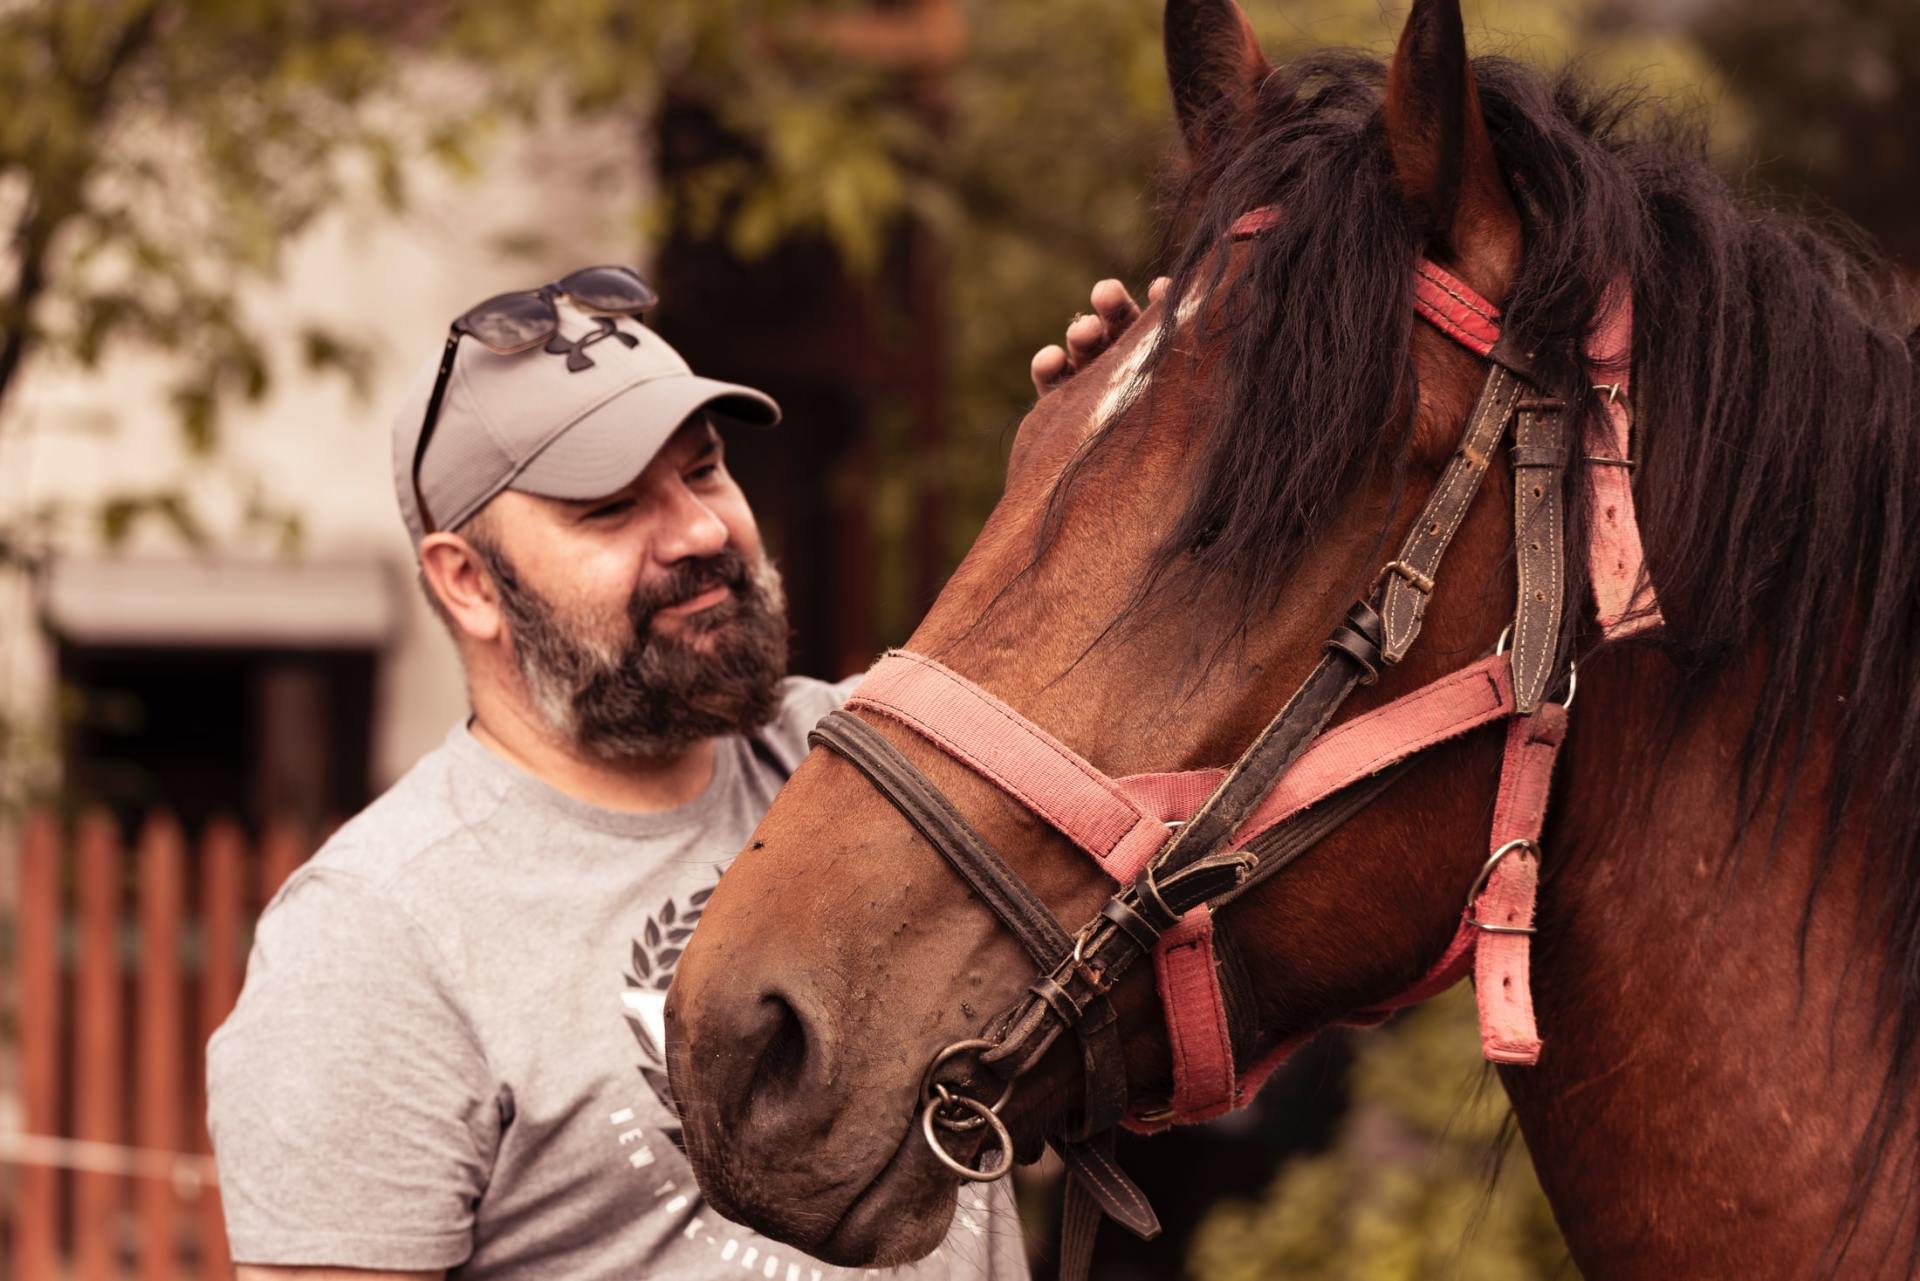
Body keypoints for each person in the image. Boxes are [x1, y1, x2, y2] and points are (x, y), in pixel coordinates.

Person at [205, 265, 1160, 1279]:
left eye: (704, 472)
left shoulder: (875, 756)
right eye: (612, 508)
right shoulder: (374, 938)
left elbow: (1188, 739)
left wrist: (1136, 465)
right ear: (468, 581)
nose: (702, 531)